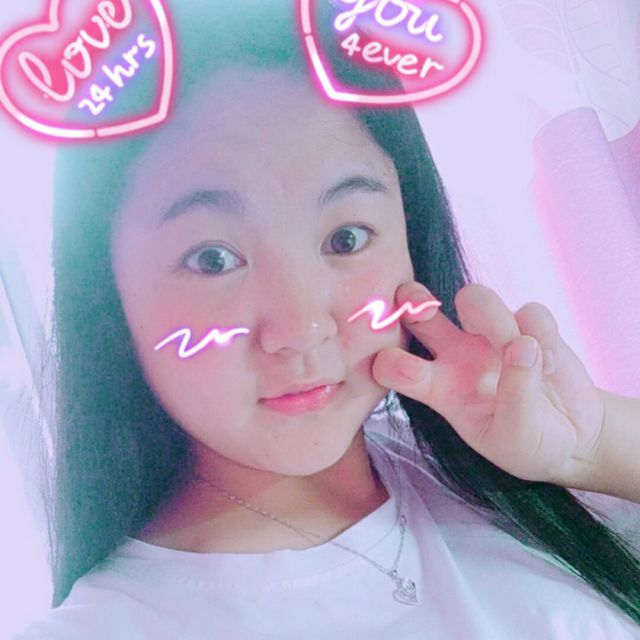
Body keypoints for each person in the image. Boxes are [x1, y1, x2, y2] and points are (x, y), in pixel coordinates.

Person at [11, 0, 640, 638]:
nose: (303, 329)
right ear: (108, 293)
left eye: (346, 238)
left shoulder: (509, 461)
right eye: (213, 259)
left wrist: (591, 448)